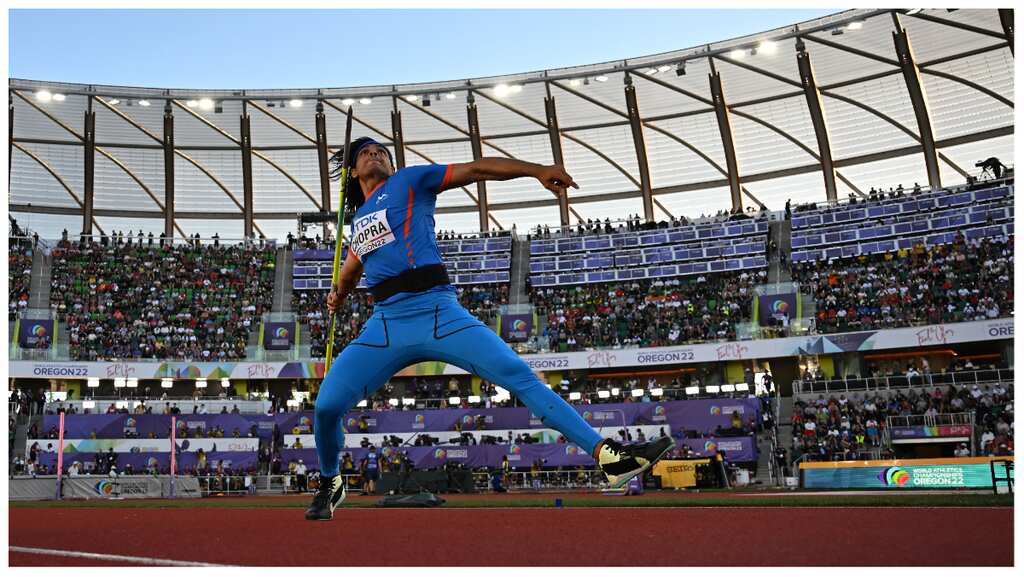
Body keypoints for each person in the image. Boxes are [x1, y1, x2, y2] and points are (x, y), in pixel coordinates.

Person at [306, 138, 674, 520]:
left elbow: (476, 169)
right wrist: (339, 296)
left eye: (382, 151)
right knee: (328, 406)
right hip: (385, 324)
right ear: (352, 171)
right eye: (366, 153)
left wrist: (536, 171)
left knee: (518, 375)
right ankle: (331, 482)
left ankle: (609, 457)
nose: (376, 154)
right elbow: (350, 271)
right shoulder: (359, 221)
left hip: (438, 312)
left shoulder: (410, 181)